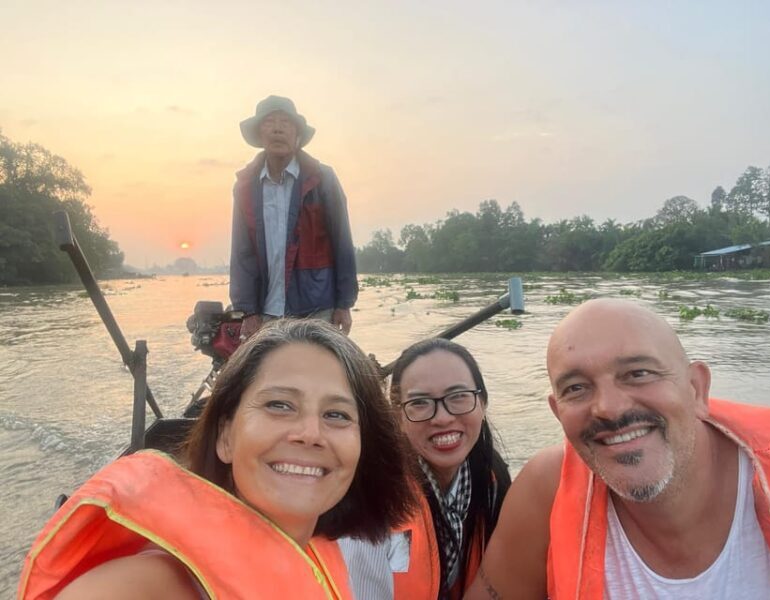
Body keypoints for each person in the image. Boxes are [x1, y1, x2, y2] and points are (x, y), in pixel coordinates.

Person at [19, 320, 414, 599]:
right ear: (225, 436)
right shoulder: (140, 589)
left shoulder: (332, 557)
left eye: (337, 415)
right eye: (279, 405)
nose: (310, 433)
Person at [466, 299, 770, 600]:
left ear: (696, 389)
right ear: (557, 412)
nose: (609, 408)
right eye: (576, 388)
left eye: (638, 374)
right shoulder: (546, 489)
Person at [340, 338, 511, 599]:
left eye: (458, 396)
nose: (442, 417)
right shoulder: (373, 502)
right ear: (397, 416)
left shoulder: (492, 481)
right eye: (420, 402)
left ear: (483, 403)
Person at [231, 95, 358, 338]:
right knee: (270, 365)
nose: (278, 129)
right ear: (259, 134)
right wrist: (247, 310)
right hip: (266, 311)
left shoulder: (322, 179)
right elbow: (242, 251)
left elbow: (342, 242)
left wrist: (344, 304)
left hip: (318, 308)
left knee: (318, 363)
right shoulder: (245, 186)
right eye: (269, 122)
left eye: (286, 122)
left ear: (297, 135)